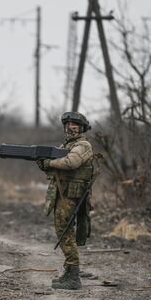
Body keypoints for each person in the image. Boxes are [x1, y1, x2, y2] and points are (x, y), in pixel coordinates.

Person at [36, 112, 94, 290]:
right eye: (68, 124)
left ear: (82, 128)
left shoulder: (82, 145)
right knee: (64, 231)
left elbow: (71, 163)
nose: (70, 127)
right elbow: (60, 170)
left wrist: (50, 163)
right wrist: (44, 164)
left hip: (71, 196)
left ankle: (73, 276)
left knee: (65, 232)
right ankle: (70, 272)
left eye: (75, 125)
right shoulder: (67, 145)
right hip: (64, 194)